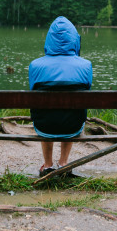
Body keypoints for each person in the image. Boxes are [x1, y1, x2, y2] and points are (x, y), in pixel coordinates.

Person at [29, 16, 93, 177]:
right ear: (75, 40)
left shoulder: (35, 65)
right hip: (73, 124)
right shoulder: (86, 65)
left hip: (44, 125)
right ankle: (63, 163)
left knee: (45, 110)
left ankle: (48, 164)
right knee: (72, 108)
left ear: (49, 40)